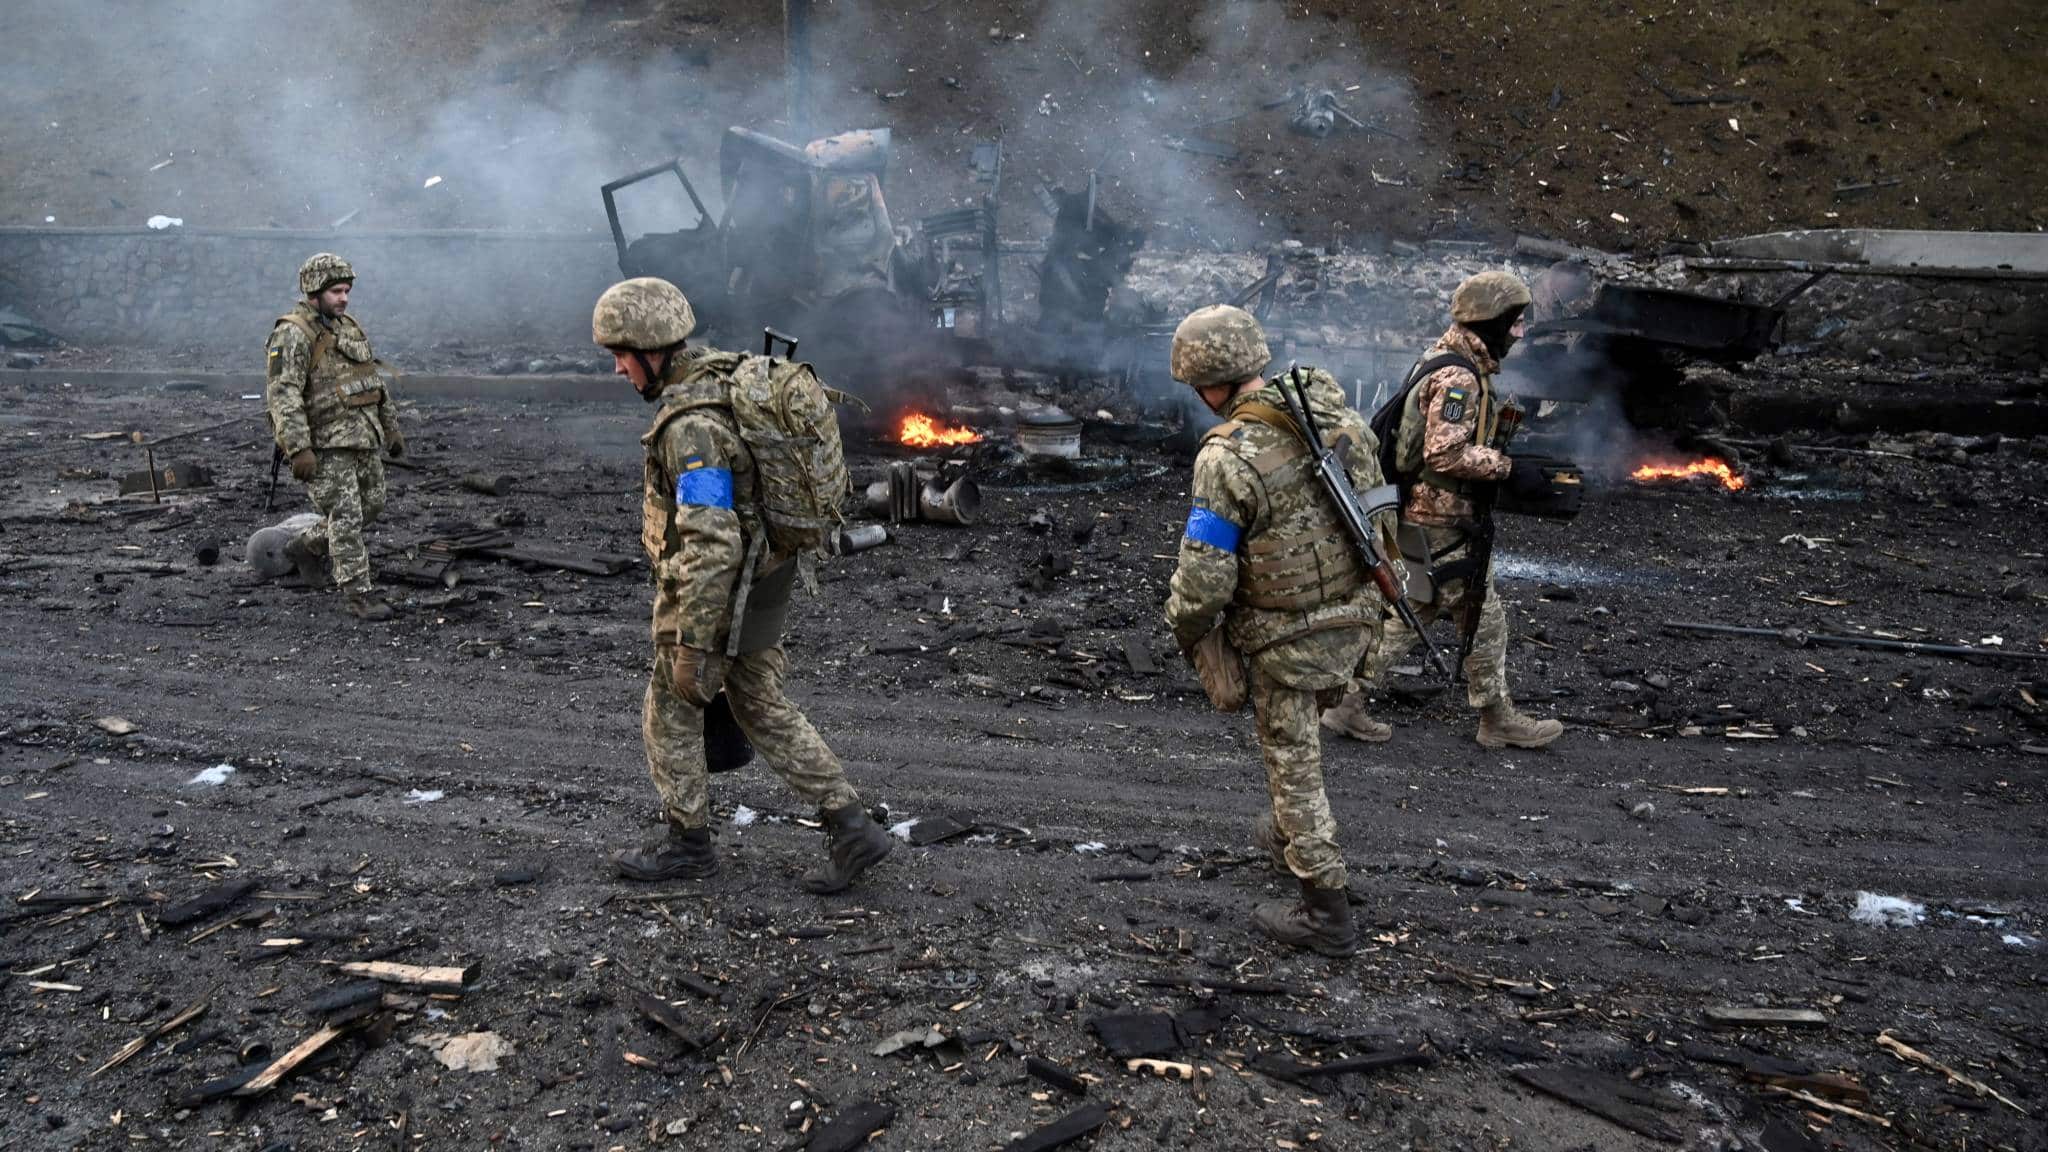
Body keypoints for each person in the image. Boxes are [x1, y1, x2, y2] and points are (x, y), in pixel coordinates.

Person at [593, 276, 891, 893]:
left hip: (720, 587)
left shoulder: (691, 430)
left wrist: (694, 641)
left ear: (653, 349)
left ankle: (688, 846)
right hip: (765, 575)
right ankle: (851, 824)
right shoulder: (724, 376)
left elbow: (711, 540)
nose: (619, 369)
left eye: (622, 354)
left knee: (671, 704)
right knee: (760, 702)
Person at [1162, 303, 1394, 958]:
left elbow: (1205, 578)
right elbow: (1381, 516)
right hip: (1357, 620)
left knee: (1293, 761)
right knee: (1300, 747)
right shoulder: (1337, 421)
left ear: (1210, 382)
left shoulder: (1227, 458)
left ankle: (1327, 910)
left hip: (1285, 640)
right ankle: (1294, 840)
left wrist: (1184, 627)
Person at [1321, 271, 1563, 750]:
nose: (1520, 333)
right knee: (1468, 612)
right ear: (1490, 320)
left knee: (1420, 608)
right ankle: (1496, 719)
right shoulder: (1459, 378)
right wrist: (1509, 468)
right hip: (1439, 519)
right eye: (1514, 322)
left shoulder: (1442, 358)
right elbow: (1443, 454)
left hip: (1421, 513)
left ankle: (1346, 703)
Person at [265, 253, 403, 621]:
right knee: (346, 517)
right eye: (336, 291)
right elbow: (284, 395)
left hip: (363, 437)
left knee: (372, 505)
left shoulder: (348, 326)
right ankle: (359, 596)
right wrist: (298, 449)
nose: (344, 298)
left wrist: (390, 426)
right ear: (314, 291)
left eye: (346, 290)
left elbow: (372, 380)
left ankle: (305, 547)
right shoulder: (292, 333)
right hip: (326, 445)